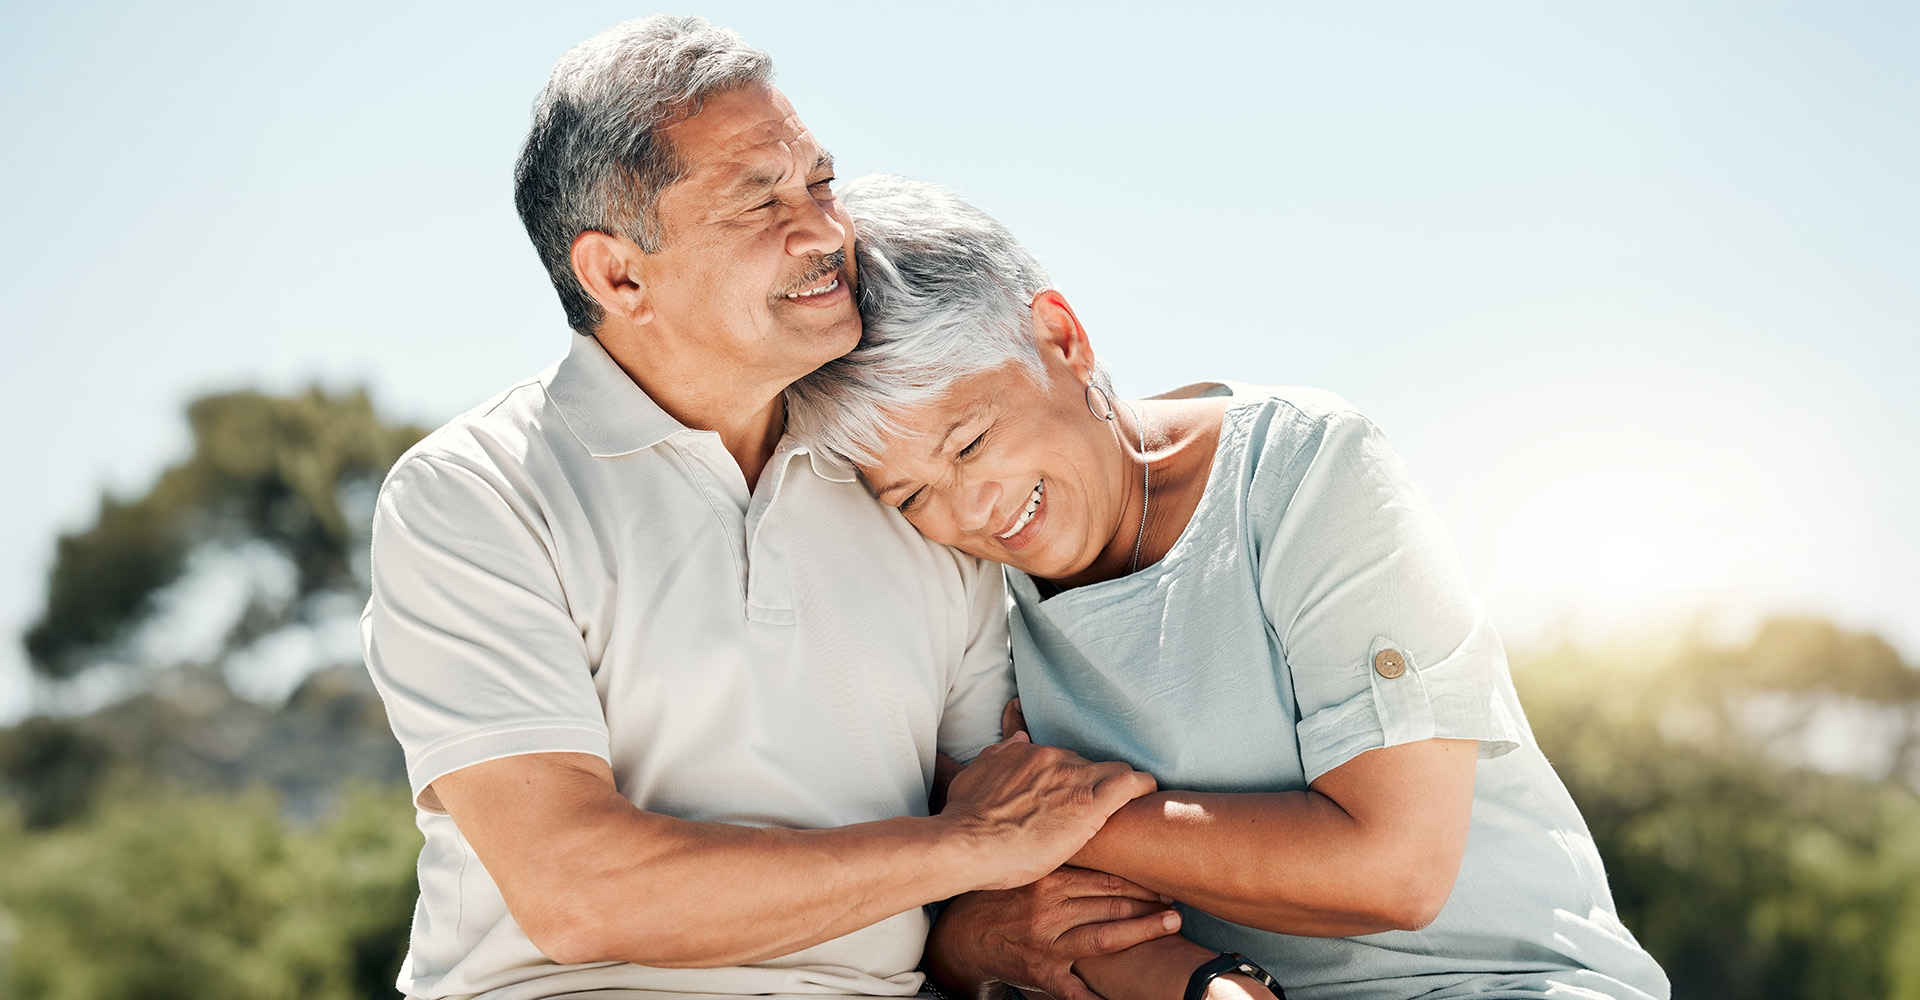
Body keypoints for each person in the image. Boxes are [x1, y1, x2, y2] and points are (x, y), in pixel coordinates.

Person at [360, 19, 1177, 1000]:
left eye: (820, 185)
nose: (827, 233)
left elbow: (1004, 802)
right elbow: (579, 891)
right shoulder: (475, 493)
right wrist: (960, 848)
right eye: (761, 202)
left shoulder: (912, 487)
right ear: (619, 276)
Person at [785, 174, 1674, 1000]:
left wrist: (1014, 828)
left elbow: (1393, 869)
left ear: (1061, 337)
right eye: (910, 496)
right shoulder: (959, 592)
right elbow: (1015, 914)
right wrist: (975, 897)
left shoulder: (1308, 468)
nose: (968, 509)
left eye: (971, 443)